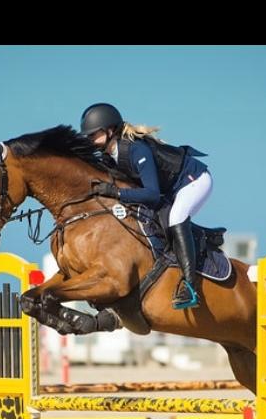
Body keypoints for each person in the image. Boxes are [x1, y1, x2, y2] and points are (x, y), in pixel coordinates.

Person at [79, 102, 213, 310]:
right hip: (170, 188)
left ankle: (190, 287)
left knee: (176, 217)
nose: (90, 140)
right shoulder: (109, 155)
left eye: (93, 135)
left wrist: (117, 193)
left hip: (194, 180)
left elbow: (151, 195)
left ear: (110, 130)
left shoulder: (136, 150)